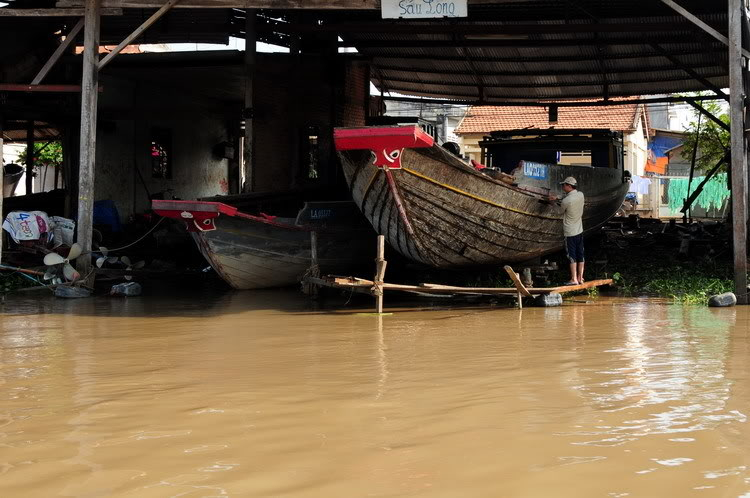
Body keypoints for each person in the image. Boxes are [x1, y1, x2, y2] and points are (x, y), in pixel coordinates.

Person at [549, 176, 585, 285]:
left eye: (564, 185)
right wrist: (558, 197)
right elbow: (566, 197)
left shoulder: (566, 201)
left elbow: (559, 211)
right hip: (579, 230)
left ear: (569, 186)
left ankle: (573, 279)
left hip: (570, 232)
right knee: (580, 254)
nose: (563, 187)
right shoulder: (581, 195)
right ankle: (580, 278)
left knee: (572, 255)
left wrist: (552, 203)